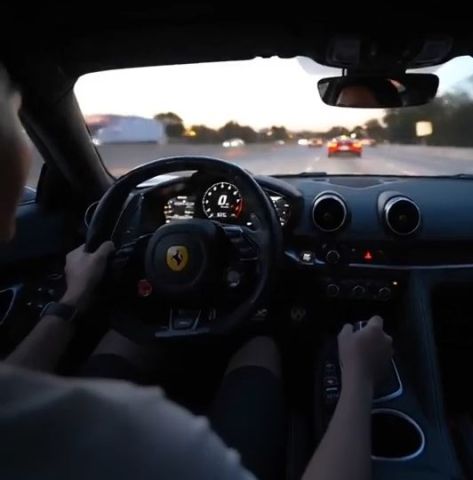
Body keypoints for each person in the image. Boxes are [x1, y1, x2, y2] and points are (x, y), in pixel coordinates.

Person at [0, 68, 394, 479]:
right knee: (260, 343)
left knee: (125, 334)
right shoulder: (163, 437)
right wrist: (360, 377)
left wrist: (71, 300)